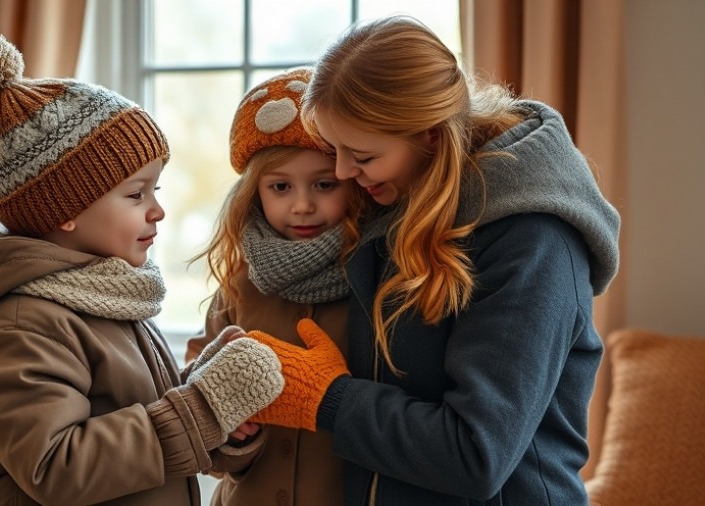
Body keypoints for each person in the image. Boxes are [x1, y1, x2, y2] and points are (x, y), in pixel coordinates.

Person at [244, 15, 622, 505]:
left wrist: (327, 398)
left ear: (430, 137)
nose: (342, 171)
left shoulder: (534, 241)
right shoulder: (403, 202)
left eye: (360, 154)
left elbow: (475, 454)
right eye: (334, 150)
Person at [0, 33, 284, 506]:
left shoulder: (106, 296)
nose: (157, 211)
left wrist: (219, 411)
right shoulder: (19, 325)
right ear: (64, 210)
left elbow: (137, 422)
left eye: (157, 190)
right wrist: (202, 407)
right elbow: (56, 468)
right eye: (136, 194)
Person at [185, 67, 368, 506]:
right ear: (255, 192)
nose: (302, 205)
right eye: (280, 186)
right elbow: (194, 400)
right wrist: (228, 433)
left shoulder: (376, 280)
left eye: (324, 184)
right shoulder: (238, 288)